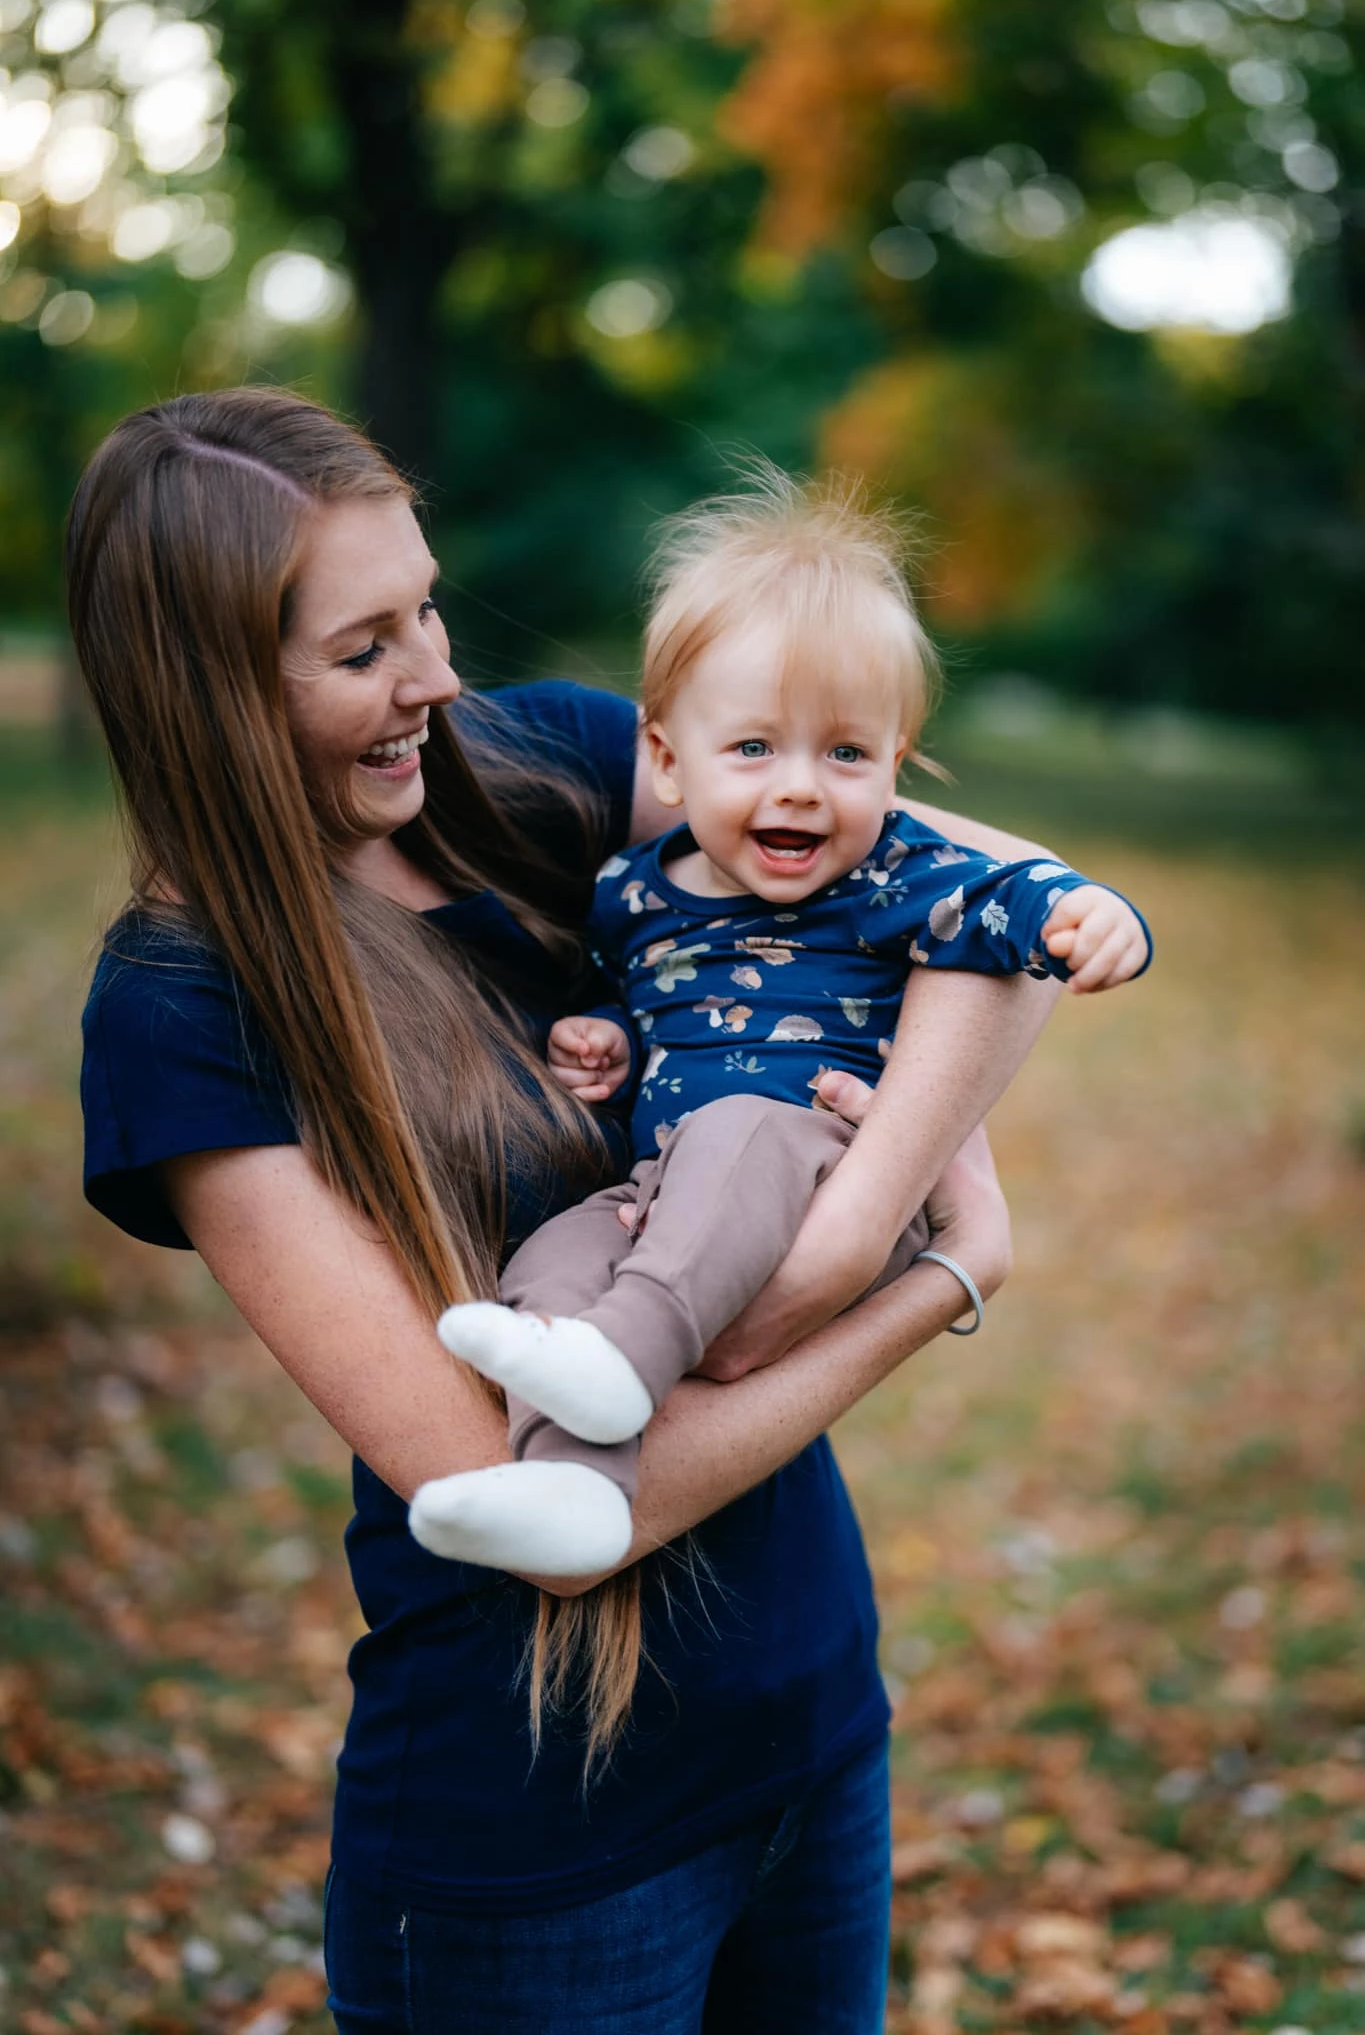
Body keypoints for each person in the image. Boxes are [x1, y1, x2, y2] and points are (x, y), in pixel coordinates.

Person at [74, 388, 1061, 2034]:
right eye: (366, 646)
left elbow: (1013, 907)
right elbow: (510, 1494)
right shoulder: (185, 1006)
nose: (438, 675)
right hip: (536, 1841)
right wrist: (934, 1275)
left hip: (810, 1713)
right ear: (212, 689)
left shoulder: (558, 763)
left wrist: (850, 1226)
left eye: (430, 606)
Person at [418, 471, 1151, 1579]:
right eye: (755, 748)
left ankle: (620, 1357)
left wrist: (1102, 918)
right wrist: (605, 1036)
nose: (803, 788)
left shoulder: (897, 876)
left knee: (744, 1132)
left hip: (816, 1161)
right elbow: (637, 990)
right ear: (666, 758)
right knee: (552, 1254)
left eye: (846, 753)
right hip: (666, 1195)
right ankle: (575, 1485)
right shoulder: (631, 888)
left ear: (896, 765)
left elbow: (1016, 898)